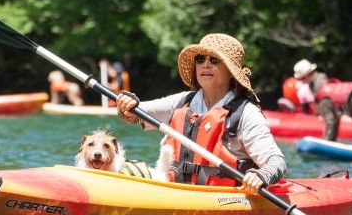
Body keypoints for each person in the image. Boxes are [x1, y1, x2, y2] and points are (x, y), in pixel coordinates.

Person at [115, 33, 286, 194]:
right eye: (200, 59)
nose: (205, 64)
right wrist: (127, 106)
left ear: (231, 72)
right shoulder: (183, 101)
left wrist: (261, 176)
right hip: (175, 192)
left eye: (214, 60)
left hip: (222, 200)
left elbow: (276, 161)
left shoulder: (246, 113)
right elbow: (134, 114)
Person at [292, 59, 352, 146]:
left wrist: (327, 140)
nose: (301, 82)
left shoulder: (322, 93)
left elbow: (331, 120)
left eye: (302, 79)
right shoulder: (322, 83)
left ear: (308, 76)